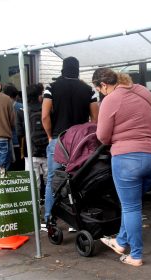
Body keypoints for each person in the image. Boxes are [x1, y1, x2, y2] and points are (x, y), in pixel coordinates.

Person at [93, 68, 151, 267]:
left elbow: (103, 136)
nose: (101, 93)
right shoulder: (144, 92)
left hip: (128, 158)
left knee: (131, 206)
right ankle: (121, 241)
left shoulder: (110, 99)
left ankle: (136, 255)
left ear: (104, 85)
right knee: (131, 203)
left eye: (100, 90)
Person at [41, 56, 99, 228]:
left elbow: (44, 116)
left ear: (62, 69)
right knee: (79, 179)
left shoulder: (51, 88)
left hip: (59, 139)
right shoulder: (89, 90)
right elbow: (95, 119)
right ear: (78, 69)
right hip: (80, 142)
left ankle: (50, 218)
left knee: (53, 179)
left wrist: (50, 136)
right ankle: (76, 219)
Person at [16, 84, 48, 206]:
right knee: (49, 180)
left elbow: (19, 133)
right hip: (46, 151)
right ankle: (51, 210)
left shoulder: (21, 111)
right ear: (39, 95)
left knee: (34, 183)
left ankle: (36, 210)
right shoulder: (46, 109)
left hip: (31, 152)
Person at [3, 83, 24, 171]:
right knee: (20, 167)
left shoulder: (2, 106)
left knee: (8, 168)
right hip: (20, 142)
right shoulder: (22, 107)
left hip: (6, 141)